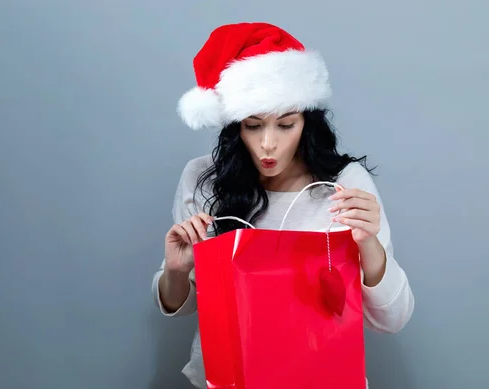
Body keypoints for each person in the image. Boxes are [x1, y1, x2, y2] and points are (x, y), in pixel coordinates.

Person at [151, 22, 414, 389]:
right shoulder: (202, 180)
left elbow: (392, 319)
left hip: (320, 378)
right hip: (228, 380)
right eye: (253, 126)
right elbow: (181, 304)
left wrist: (368, 244)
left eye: (286, 124)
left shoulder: (343, 186)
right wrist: (176, 271)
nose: (269, 144)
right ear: (233, 127)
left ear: (307, 121)